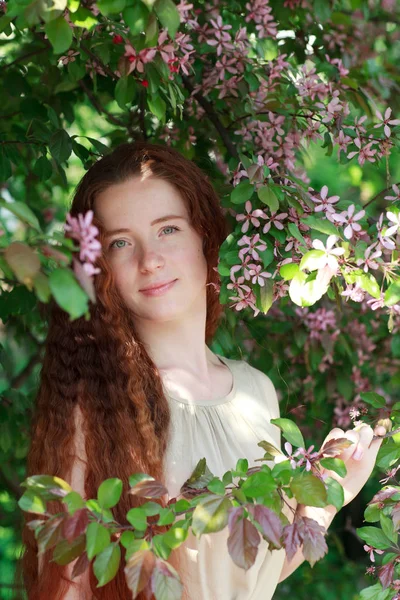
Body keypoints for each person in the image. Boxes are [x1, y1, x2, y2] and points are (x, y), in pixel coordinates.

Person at [20, 141, 383, 599]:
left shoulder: (256, 391)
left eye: (167, 230)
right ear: (100, 266)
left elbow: (249, 576)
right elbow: (65, 591)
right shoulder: (94, 405)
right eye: (120, 242)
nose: (149, 259)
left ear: (204, 236)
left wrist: (326, 498)